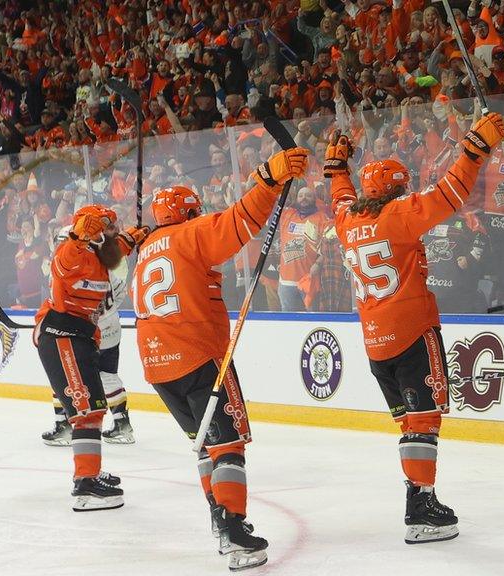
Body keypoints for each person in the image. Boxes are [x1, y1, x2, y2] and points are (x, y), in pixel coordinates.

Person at [327, 112, 504, 543]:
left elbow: (340, 196)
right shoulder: (399, 214)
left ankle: (417, 495)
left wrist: (336, 169)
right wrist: (474, 150)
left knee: (411, 423)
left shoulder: (347, 220)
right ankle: (421, 506)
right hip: (411, 330)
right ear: (393, 191)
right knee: (423, 422)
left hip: (375, 341)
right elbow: (450, 193)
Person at [132, 146, 309, 571]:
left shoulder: (147, 249)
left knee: (205, 445)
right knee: (227, 444)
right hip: (198, 356)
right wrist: (268, 178)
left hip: (159, 366)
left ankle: (218, 518)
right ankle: (233, 529)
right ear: (189, 212)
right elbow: (237, 223)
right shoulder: (189, 234)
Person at [33, 205, 147, 511]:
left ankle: (91, 471)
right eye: (107, 229)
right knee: (86, 411)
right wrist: (78, 236)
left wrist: (130, 238)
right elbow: (63, 261)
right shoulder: (73, 254)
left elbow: (112, 252)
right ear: (92, 233)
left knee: (94, 407)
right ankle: (85, 485)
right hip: (62, 336)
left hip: (80, 338)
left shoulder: (100, 257)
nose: (114, 234)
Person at [42, 226, 136, 446]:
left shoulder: (68, 271)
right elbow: (121, 293)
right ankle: (123, 424)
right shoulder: (105, 268)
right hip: (111, 329)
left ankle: (63, 426)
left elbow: (61, 304)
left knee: (63, 375)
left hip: (83, 331)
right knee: (108, 375)